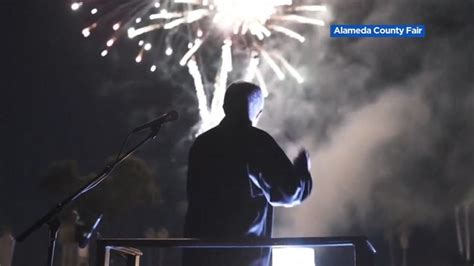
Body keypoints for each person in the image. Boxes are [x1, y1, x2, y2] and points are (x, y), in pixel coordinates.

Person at [183, 81, 313, 266]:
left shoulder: (202, 143)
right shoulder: (258, 142)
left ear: (224, 106)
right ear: (258, 112)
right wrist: (302, 171)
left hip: (201, 254)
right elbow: (288, 192)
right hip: (243, 255)